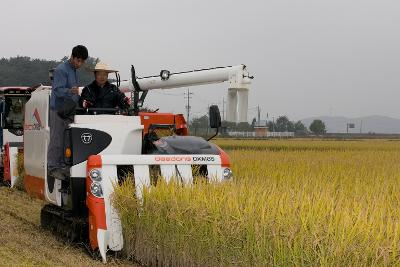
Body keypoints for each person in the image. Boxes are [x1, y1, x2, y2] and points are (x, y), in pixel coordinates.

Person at [48, 45, 88, 180]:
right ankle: (53, 168)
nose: (80, 64)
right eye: (79, 61)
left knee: (66, 140)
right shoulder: (61, 70)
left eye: (82, 62)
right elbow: (57, 90)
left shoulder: (74, 70)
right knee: (57, 139)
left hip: (69, 110)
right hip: (58, 110)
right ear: (73, 57)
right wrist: (71, 91)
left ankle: (64, 167)